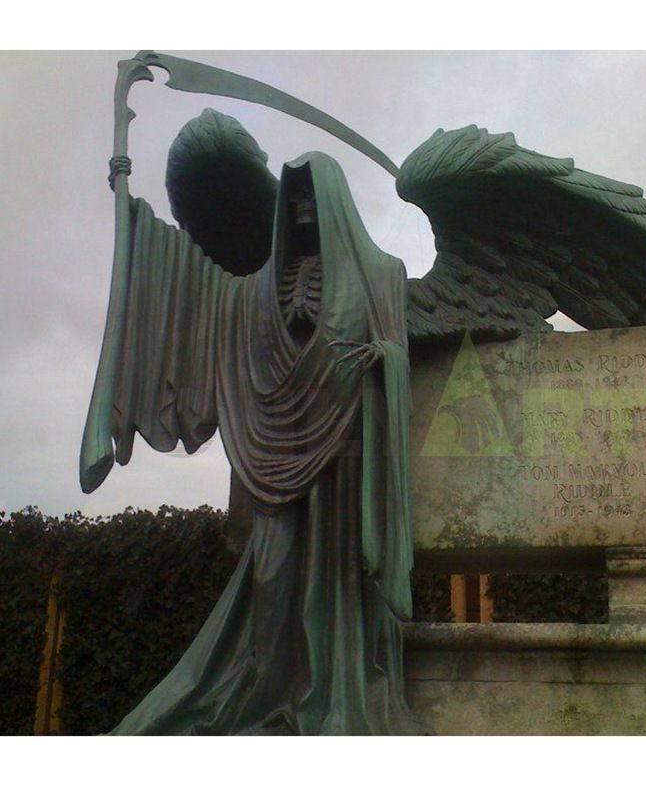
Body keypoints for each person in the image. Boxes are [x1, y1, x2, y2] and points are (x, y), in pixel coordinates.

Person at [82, 112, 421, 734]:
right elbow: (189, 287)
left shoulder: (383, 275)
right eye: (290, 204)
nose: (298, 215)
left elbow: (394, 351)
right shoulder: (252, 290)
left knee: (338, 593)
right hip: (274, 457)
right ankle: (262, 693)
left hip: (346, 463)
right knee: (271, 578)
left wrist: (382, 363)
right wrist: (131, 215)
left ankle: (331, 697)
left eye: (309, 202)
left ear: (335, 205)